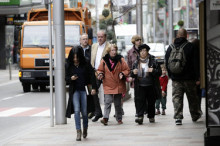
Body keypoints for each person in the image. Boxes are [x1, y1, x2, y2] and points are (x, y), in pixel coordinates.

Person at [165, 28, 202, 125]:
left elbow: (166, 62)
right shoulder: (190, 46)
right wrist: (197, 77)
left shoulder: (170, 47)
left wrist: (171, 75)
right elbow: (195, 63)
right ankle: (195, 115)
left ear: (177, 35)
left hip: (176, 79)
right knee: (192, 97)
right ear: (186, 36)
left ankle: (178, 117)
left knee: (177, 98)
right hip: (189, 78)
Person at [65, 46, 97, 141]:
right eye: (74, 57)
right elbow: (66, 78)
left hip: (85, 90)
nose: (75, 59)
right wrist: (71, 78)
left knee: (84, 112)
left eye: (77, 57)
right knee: (76, 110)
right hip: (75, 90)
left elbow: (92, 76)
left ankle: (85, 128)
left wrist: (94, 88)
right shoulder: (68, 64)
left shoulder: (86, 63)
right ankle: (78, 131)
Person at [97, 44, 130, 125]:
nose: (114, 52)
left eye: (115, 50)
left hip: (118, 85)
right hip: (108, 84)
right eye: (112, 50)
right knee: (107, 102)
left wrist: (122, 73)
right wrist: (100, 74)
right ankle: (105, 118)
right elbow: (99, 70)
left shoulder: (120, 59)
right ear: (109, 51)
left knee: (117, 103)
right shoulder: (104, 60)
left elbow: (127, 69)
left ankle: (119, 118)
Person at [131, 44, 162, 124]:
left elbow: (159, 72)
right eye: (141, 51)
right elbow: (132, 73)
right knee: (140, 101)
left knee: (151, 101)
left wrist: (153, 70)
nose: (142, 52)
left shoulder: (153, 60)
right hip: (140, 85)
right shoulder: (136, 61)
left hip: (151, 85)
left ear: (147, 51)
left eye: (144, 50)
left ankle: (151, 116)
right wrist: (133, 72)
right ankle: (140, 116)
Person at [90, 30, 111, 122]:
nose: (100, 38)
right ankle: (98, 112)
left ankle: (108, 114)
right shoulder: (94, 46)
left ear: (105, 37)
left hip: (106, 74)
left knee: (108, 94)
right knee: (93, 91)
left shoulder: (109, 47)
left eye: (101, 36)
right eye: (98, 36)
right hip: (95, 72)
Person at [126, 35, 142, 117]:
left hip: (144, 76)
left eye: (140, 40)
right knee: (137, 96)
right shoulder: (130, 52)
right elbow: (128, 65)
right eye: (137, 40)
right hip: (135, 77)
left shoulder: (144, 49)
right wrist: (129, 76)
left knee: (144, 95)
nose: (139, 41)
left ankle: (144, 109)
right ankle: (138, 111)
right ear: (134, 41)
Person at [80, 33, 95, 119]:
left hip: (89, 76)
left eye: (86, 39)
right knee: (82, 94)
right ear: (80, 41)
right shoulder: (78, 50)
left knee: (90, 94)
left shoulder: (91, 49)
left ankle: (90, 111)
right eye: (83, 39)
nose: (85, 41)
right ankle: (83, 112)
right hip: (81, 76)